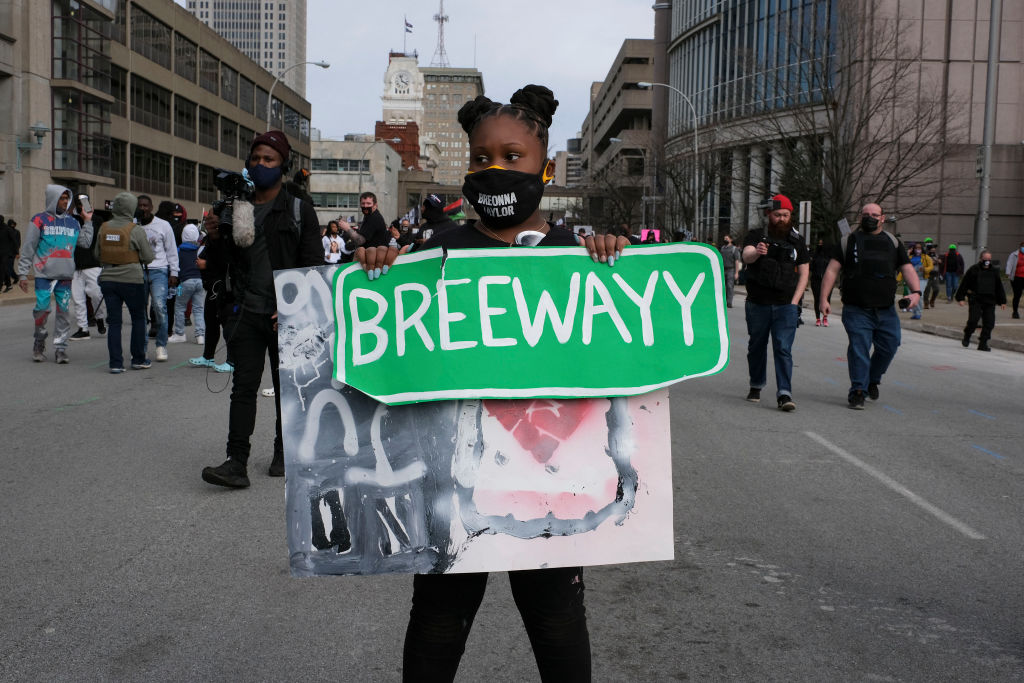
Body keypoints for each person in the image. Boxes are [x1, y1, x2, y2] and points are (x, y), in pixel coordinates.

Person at [356, 84, 626, 682]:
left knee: (557, 618)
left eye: (513, 156)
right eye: (481, 159)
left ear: (546, 168)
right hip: (454, 473)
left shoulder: (577, 256)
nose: (496, 169)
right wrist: (377, 273)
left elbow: (622, 342)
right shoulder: (434, 253)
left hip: (547, 476)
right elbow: (395, 348)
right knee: (438, 616)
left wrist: (613, 259)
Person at [200, 129, 323, 488]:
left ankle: (284, 454)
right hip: (246, 313)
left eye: (268, 159)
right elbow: (223, 263)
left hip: (287, 318)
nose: (260, 164)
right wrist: (216, 237)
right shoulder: (237, 208)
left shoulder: (299, 209)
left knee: (288, 388)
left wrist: (293, 310)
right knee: (243, 389)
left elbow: (313, 268)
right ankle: (235, 462)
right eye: (255, 159)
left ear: (283, 165)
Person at [819, 203, 920, 409]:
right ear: (860, 216)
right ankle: (858, 391)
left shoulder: (893, 242)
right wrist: (824, 298)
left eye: (874, 214)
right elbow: (832, 271)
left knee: (890, 345)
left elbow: (907, 268)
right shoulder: (848, 241)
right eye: (866, 214)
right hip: (856, 308)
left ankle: (872, 379)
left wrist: (916, 293)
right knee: (859, 348)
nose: (870, 217)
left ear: (883, 218)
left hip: (886, 309)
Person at [740, 194, 810, 411]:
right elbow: (746, 255)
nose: (782, 218)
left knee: (783, 348)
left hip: (785, 304)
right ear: (769, 214)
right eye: (778, 214)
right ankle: (756, 384)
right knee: (756, 346)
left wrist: (795, 301)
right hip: (758, 302)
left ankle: (784, 393)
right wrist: (757, 252)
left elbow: (804, 272)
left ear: (791, 216)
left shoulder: (797, 240)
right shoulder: (756, 235)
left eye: (786, 215)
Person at [17, 185, 94, 363]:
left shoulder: (73, 222)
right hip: (44, 276)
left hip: (65, 277)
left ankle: (60, 348)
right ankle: (39, 341)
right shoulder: (39, 220)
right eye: (62, 198)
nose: (65, 202)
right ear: (53, 198)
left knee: (63, 313)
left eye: (67, 199)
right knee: (41, 311)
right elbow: (28, 247)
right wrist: (22, 273)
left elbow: (85, 243)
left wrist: (88, 221)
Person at [94, 192, 155, 372]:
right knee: (138, 318)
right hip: (132, 279)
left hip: (108, 279)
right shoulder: (135, 230)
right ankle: (138, 359)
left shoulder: (104, 228)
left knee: (114, 323)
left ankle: (115, 364)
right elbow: (148, 257)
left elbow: (97, 255)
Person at [137, 195, 178, 361]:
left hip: (159, 270)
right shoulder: (134, 225)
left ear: (151, 206)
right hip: (138, 271)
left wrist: (174, 272)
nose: (143, 208)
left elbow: (171, 250)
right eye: (140, 206)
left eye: (146, 205)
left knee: (159, 307)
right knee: (140, 310)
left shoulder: (163, 225)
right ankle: (142, 346)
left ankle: (161, 345)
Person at [188, 227, 234, 373]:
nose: (209, 222)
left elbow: (228, 263)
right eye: (207, 220)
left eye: (213, 219)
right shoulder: (209, 239)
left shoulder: (227, 239)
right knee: (211, 322)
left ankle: (232, 361)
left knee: (227, 325)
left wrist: (206, 264)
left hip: (224, 289)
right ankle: (208, 357)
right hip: (211, 288)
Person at [70, 198, 107, 340]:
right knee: (78, 298)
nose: (81, 207)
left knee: (96, 294)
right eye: (78, 204)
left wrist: (88, 218)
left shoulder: (97, 219)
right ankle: (83, 328)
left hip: (94, 263)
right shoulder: (72, 220)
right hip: (75, 265)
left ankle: (99, 318)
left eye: (83, 203)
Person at [956, 250, 1006, 351]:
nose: (987, 261)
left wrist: (1002, 301)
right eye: (985, 259)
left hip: (990, 300)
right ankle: (967, 335)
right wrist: (961, 298)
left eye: (989, 259)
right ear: (980, 259)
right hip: (976, 299)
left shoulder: (994, 271)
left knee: (989, 323)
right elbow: (964, 284)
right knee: (973, 320)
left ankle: (983, 343)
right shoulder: (973, 270)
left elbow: (999, 287)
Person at [168, 224, 205, 345]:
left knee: (179, 307)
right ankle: (200, 335)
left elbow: (174, 265)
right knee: (198, 309)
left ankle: (179, 333)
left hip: (184, 283)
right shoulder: (199, 249)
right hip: (199, 282)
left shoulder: (179, 250)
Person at [809, 238, 832, 326]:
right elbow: (811, 268)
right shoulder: (816, 255)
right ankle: (818, 318)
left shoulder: (830, 257)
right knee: (817, 299)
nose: (820, 245)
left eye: (822, 243)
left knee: (827, 299)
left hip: (827, 282)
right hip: (816, 280)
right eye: (819, 243)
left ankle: (825, 318)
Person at [720, 234, 741, 308]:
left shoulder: (734, 249)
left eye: (727, 238)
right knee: (723, 287)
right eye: (724, 238)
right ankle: (723, 302)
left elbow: (736, 261)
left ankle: (729, 302)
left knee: (729, 286)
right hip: (723, 269)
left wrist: (736, 273)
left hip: (730, 270)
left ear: (731, 240)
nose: (725, 239)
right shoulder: (722, 248)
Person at [1006, 241, 1024, 319]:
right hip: (1017, 278)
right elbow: (1009, 263)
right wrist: (1008, 272)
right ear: (1020, 247)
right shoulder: (1014, 255)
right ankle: (1015, 312)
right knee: (1017, 295)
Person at [923, 242, 942, 309]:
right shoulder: (925, 256)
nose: (933, 249)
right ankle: (926, 303)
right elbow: (926, 263)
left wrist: (938, 261)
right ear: (929, 249)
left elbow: (939, 261)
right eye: (932, 248)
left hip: (935, 274)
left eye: (934, 248)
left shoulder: (936, 255)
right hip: (928, 274)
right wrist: (933, 262)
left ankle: (932, 300)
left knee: (936, 289)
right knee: (927, 290)